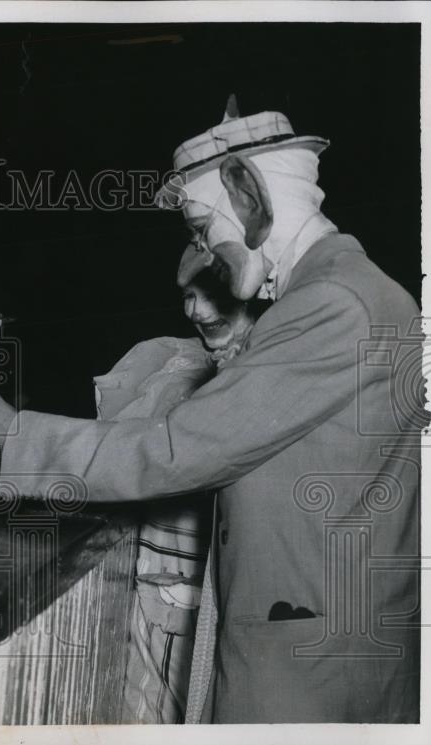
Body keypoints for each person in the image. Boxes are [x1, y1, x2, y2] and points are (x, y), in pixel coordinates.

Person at [0, 100, 424, 723]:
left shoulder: (330, 302)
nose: (205, 251)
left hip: (309, 660)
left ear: (249, 198)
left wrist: (14, 433)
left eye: (201, 227)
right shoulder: (355, 290)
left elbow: (180, 447)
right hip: (327, 638)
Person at [109, 251, 266, 724]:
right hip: (162, 603)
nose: (196, 311)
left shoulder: (280, 378)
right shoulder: (167, 367)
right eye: (187, 298)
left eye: (209, 294)